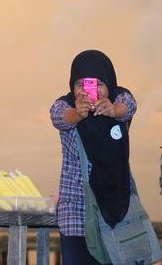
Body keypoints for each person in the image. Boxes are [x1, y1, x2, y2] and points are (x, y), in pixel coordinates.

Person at [50, 50, 137, 264]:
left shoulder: (120, 97)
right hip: (75, 204)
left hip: (114, 201)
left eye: (98, 84)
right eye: (80, 85)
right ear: (72, 85)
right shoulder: (64, 104)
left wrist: (113, 110)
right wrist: (77, 114)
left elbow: (130, 107)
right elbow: (59, 119)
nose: (89, 90)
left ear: (109, 83)